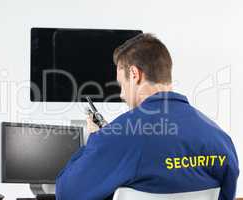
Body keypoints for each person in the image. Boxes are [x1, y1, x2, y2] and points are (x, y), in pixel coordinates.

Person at [55, 33, 239, 200]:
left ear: (135, 74)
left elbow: (66, 193)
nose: (121, 94)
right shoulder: (221, 140)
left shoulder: (116, 137)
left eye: (122, 84)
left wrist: (96, 138)